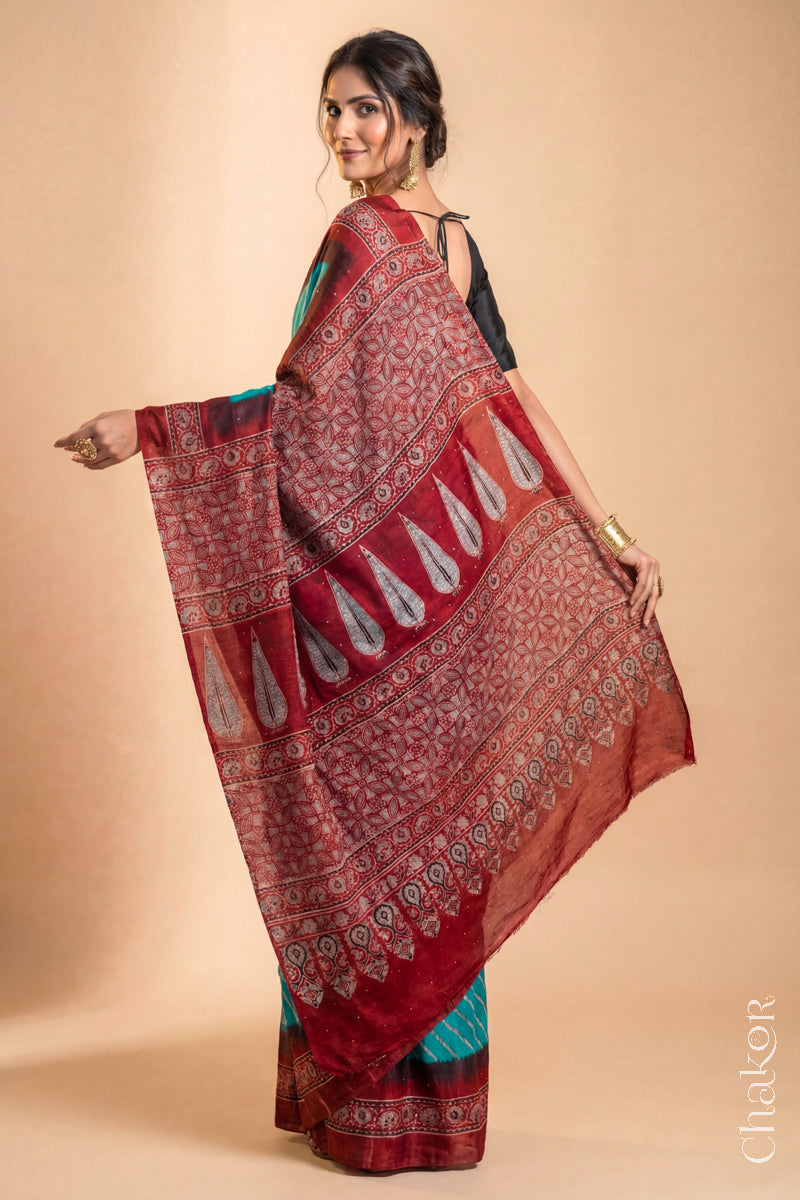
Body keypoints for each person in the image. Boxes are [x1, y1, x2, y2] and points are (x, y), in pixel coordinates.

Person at [54, 30, 694, 1174]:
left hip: (413, 603)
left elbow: (494, 404)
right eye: (331, 111)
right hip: (392, 599)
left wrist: (609, 536)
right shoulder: (414, 243)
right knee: (386, 847)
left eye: (364, 110)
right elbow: (332, 418)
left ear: (413, 114)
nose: (344, 133)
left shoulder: (396, 240)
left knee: (417, 850)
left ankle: (404, 1112)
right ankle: (396, 1115)